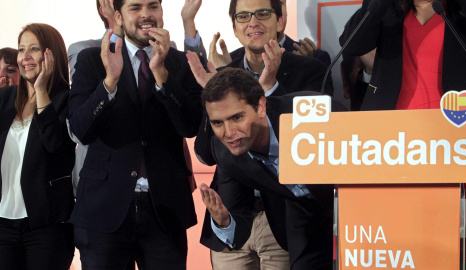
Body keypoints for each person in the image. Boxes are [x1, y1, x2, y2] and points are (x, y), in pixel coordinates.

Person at [340, 0, 466, 268]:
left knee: (458, 241)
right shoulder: (390, 11)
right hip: (394, 143)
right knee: (399, 236)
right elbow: (353, 45)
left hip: (456, 140)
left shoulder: (462, 11)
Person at [67, 0, 203, 268]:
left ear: (162, 13)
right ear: (118, 16)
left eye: (153, 6)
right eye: (135, 7)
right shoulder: (93, 60)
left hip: (165, 208)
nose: (146, 15)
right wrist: (109, 83)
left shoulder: (179, 63)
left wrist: (161, 74)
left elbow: (190, 125)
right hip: (104, 208)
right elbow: (81, 130)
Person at [198, 67, 346, 270]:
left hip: (356, 209)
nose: (229, 133)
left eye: (237, 118)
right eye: (217, 123)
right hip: (305, 222)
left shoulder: (309, 113)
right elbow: (239, 220)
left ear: (260, 106)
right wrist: (224, 221)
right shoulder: (225, 153)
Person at [0, 23, 75, 270]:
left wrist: (41, 90)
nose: (25, 57)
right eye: (22, 50)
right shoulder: (5, 98)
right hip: (3, 225)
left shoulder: (68, 99)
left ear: (50, 53)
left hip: (47, 227)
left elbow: (57, 149)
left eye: (34, 49)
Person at [207, 0, 332, 68]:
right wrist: (224, 76)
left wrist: (302, 68)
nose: (253, 23)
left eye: (263, 13)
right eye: (243, 16)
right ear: (234, 28)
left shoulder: (313, 62)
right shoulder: (227, 65)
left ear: (280, 20)